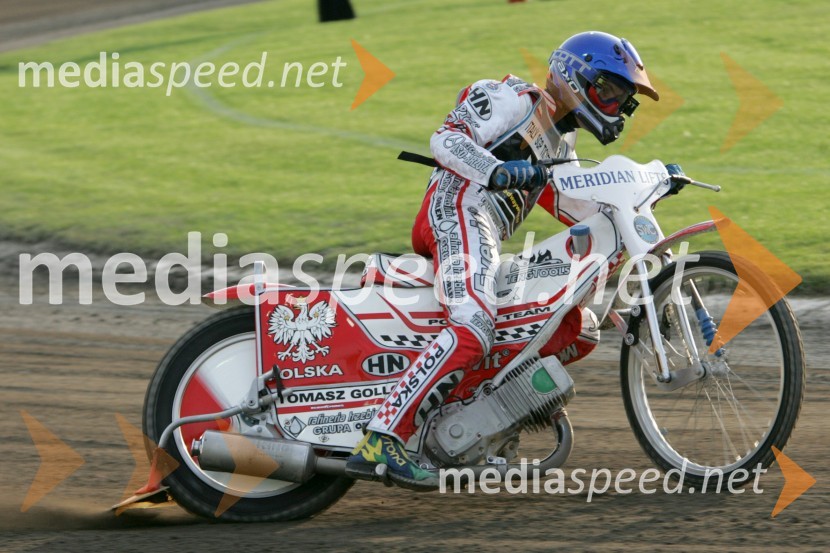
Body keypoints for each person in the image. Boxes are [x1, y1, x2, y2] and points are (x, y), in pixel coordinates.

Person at [348, 31, 659, 488]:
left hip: (485, 230)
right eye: (608, 90)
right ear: (576, 75)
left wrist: (642, 196)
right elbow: (446, 140)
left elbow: (579, 207)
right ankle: (381, 437)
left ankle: (474, 415)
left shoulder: (562, 147)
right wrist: (494, 169)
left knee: (578, 329)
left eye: (623, 100)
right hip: (458, 208)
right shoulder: (512, 97)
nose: (614, 105)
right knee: (474, 325)